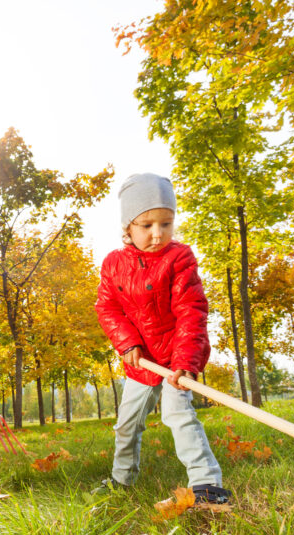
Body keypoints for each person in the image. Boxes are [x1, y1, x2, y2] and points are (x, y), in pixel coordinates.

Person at [92, 173, 229, 504]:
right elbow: (107, 308)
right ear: (128, 227)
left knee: (178, 416)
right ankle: (121, 480)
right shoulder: (113, 264)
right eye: (146, 225)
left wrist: (185, 363)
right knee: (127, 425)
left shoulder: (179, 259)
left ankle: (207, 485)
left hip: (174, 358)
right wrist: (127, 344)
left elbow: (191, 312)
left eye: (166, 224)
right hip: (141, 362)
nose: (158, 234)